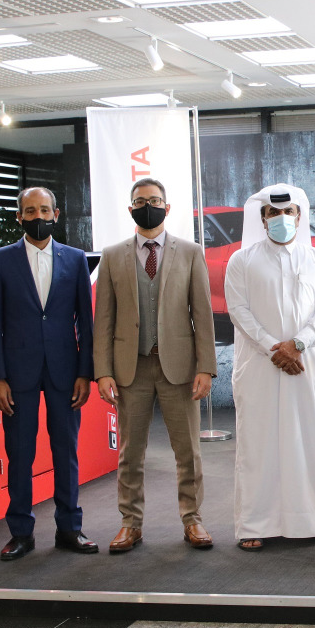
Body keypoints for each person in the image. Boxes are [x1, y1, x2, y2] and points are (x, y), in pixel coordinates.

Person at [93, 177, 217, 553]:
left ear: (168, 206)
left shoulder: (191, 252)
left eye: (155, 199)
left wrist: (206, 367)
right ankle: (130, 523)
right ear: (130, 208)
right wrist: (103, 371)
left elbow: (203, 314)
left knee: (188, 451)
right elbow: (105, 320)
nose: (148, 204)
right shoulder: (113, 255)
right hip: (131, 368)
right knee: (130, 452)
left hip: (179, 366)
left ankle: (192, 520)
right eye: (141, 200)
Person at [224, 183, 315, 550]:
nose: (281, 218)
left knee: (311, 440)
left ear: (298, 216)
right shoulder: (241, 261)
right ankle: (255, 525)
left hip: (308, 363)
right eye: (273, 213)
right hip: (260, 366)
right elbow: (238, 310)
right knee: (259, 442)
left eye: (287, 212)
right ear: (262, 219)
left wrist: (297, 344)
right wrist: (273, 348)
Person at [0, 187, 97, 560]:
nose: (38, 217)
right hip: (17, 374)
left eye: (44, 210)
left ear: (57, 214)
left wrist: (86, 372)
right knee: (20, 452)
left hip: (66, 371)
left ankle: (70, 528)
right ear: (19, 217)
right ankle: (21, 533)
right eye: (30, 211)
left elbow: (86, 321)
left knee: (66, 451)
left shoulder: (76, 259)